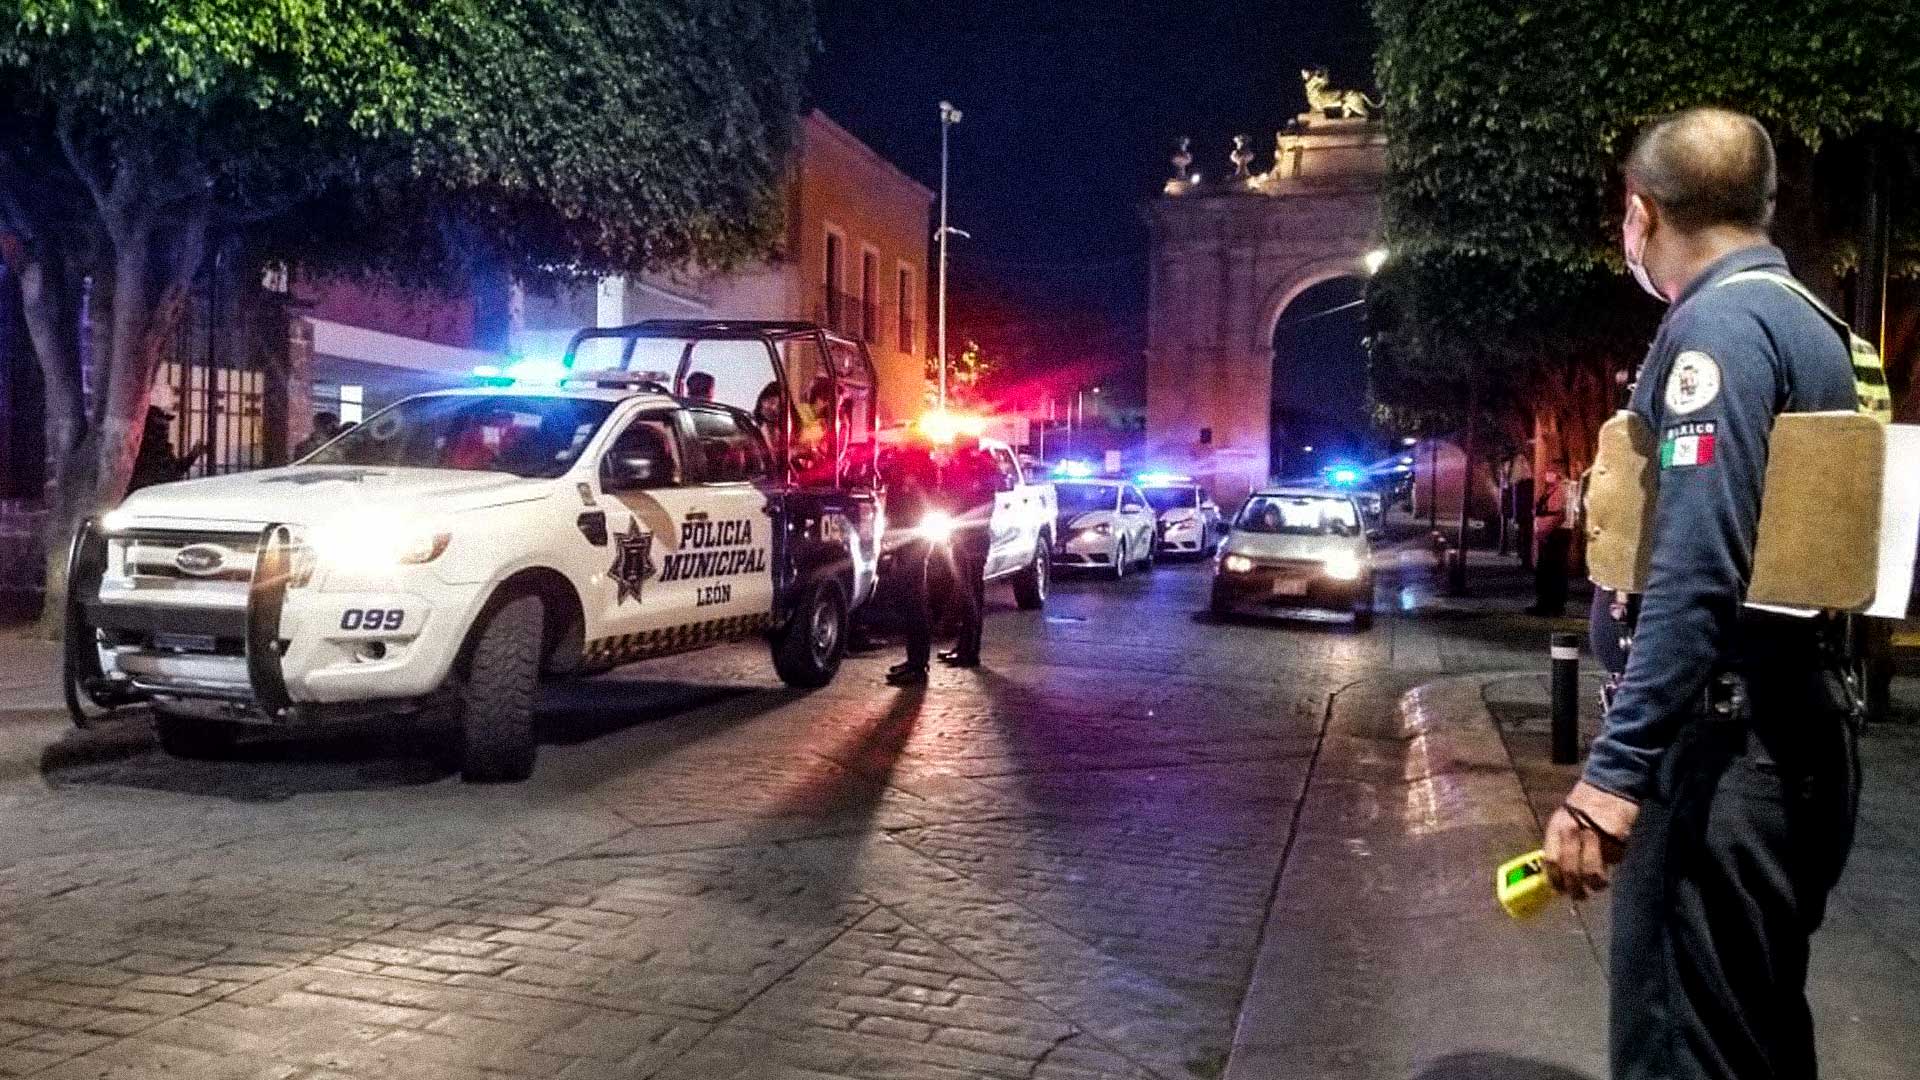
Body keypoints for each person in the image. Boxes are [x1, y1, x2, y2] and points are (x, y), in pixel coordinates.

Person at [1542, 108, 1863, 1080]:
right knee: (1753, 1035)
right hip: (1791, 734)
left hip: (1723, 753)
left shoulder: (1716, 331)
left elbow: (1694, 571)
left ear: (1641, 215)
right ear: (1762, 203)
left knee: (1683, 1045)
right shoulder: (1814, 324)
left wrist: (1612, 782)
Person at [1527, 466, 1571, 615]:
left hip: (1556, 534)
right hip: (1547, 533)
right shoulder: (1551, 489)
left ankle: (1552, 605)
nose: (1548, 474)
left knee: (1553, 570)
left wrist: (1545, 531)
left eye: (1551, 471)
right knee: (1545, 570)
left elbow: (1560, 515)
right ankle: (1544, 602)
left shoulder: (1562, 490)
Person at [128, 406, 204, 491]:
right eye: (160, 428)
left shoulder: (161, 449)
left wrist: (193, 455)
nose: (165, 431)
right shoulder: (148, 452)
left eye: (165, 427)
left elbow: (175, 470)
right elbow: (171, 473)